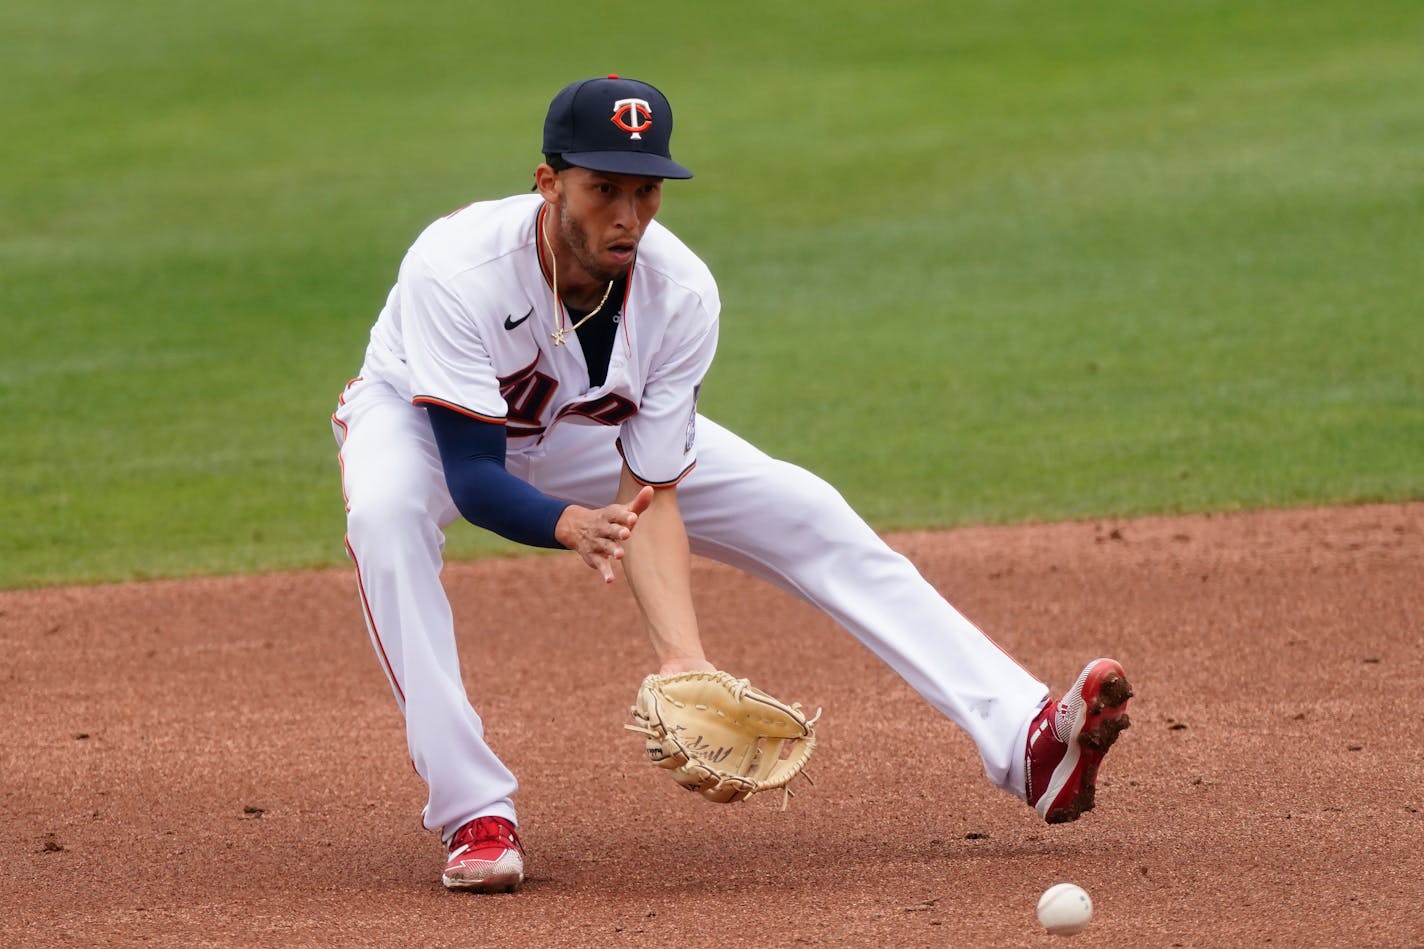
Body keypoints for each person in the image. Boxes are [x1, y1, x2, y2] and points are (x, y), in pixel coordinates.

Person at [331, 75, 1132, 894]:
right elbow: (472, 475)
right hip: (423, 425)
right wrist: (569, 523)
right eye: (603, 190)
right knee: (388, 518)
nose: (627, 216)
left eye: (645, 193)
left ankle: (1027, 743)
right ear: (549, 183)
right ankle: (475, 810)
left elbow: (653, 492)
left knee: (805, 509)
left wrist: (682, 658)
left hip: (578, 430)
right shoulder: (457, 270)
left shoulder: (681, 294)